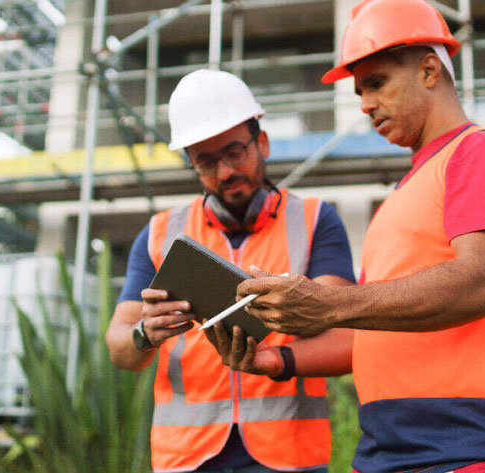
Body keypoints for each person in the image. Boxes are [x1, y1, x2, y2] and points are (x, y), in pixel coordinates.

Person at [204, 1, 485, 472]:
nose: (364, 104)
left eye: (377, 82)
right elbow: (369, 332)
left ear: (430, 69)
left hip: (471, 451)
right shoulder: (406, 192)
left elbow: (481, 283)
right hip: (386, 452)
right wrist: (277, 360)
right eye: (359, 90)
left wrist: (328, 305)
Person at [105, 68, 355, 473]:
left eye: (235, 153)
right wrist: (143, 334)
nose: (224, 173)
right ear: (191, 163)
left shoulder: (314, 221)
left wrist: (288, 328)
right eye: (205, 161)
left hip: (288, 453)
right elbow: (118, 347)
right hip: (186, 455)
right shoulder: (159, 234)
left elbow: (345, 337)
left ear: (263, 143)